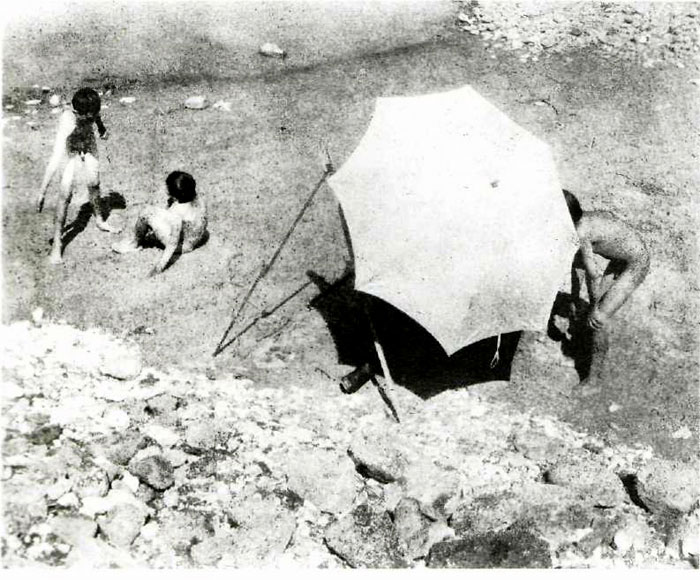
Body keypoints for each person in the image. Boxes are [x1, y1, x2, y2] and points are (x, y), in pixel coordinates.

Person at [563, 189, 650, 394]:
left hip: (635, 264)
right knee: (594, 314)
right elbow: (579, 265)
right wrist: (575, 297)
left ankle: (594, 381)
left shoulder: (581, 233)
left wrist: (594, 307)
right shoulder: (583, 220)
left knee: (599, 320)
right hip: (622, 258)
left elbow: (593, 272)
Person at [37, 87, 117, 264]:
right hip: (70, 148)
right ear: (76, 112)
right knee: (65, 192)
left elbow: (96, 116)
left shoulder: (91, 110)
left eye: (92, 115)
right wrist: (42, 192)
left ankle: (99, 220)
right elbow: (55, 159)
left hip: (87, 141)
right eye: (87, 116)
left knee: (94, 182)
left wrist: (102, 129)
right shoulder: (67, 123)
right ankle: (57, 244)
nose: (91, 118)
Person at [111, 170, 208, 276]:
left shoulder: (177, 212)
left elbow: (172, 243)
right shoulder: (199, 200)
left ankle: (133, 244)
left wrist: (158, 268)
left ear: (175, 196)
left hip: (182, 246)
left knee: (147, 213)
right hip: (194, 240)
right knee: (161, 210)